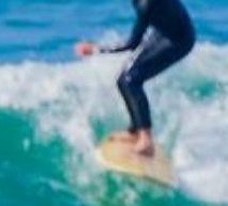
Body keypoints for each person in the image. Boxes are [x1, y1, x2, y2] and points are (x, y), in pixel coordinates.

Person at [75, 0, 195, 157]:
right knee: (123, 80)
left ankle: (146, 140)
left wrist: (96, 49)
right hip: (162, 31)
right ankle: (135, 131)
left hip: (179, 41)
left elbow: (132, 44)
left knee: (131, 80)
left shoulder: (147, 4)